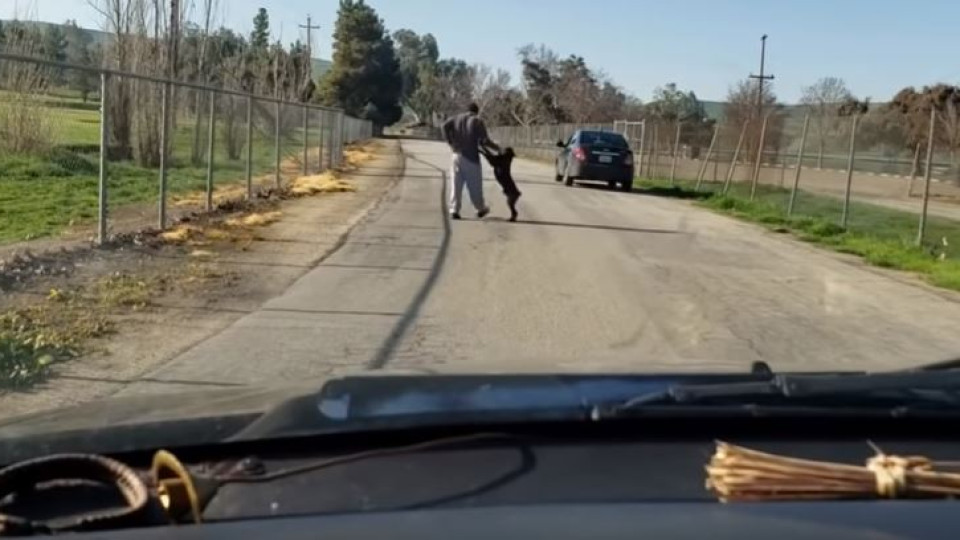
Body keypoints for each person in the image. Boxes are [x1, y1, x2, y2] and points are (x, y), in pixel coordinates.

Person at [441, 103, 500, 220]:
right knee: (475, 185)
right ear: (476, 111)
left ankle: (454, 210)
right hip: (471, 157)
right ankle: (480, 208)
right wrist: (498, 149)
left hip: (456, 154)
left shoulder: (456, 118)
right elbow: (484, 141)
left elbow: (443, 126)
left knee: (456, 184)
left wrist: (450, 142)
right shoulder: (477, 121)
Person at [480, 146, 522, 222]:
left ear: (506, 153)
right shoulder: (504, 159)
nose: (501, 151)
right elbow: (492, 158)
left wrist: (483, 150)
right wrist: (483, 149)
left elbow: (491, 159)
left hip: (511, 190)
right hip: (512, 190)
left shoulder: (503, 160)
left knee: (510, 203)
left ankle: (514, 215)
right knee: (510, 204)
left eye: (503, 151)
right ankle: (514, 214)